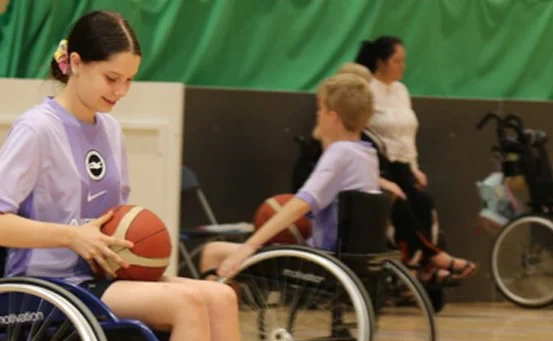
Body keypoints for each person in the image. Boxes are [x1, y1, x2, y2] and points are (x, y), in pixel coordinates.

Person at [0, 10, 287, 341]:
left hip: (100, 278)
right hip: (46, 290)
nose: (119, 91)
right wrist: (70, 235)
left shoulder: (111, 131)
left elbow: (114, 219)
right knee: (187, 305)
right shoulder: (37, 130)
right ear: (74, 63)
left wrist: (122, 243)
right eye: (110, 77)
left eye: (129, 81)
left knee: (219, 296)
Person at [200, 73, 380, 278]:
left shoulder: (339, 154)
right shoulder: (367, 153)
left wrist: (248, 247)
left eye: (320, 110)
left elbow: (299, 205)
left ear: (333, 118)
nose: (318, 116)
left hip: (324, 264)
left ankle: (222, 307)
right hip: (354, 261)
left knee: (213, 252)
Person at [356, 37, 477, 282]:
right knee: (398, 202)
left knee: (422, 200)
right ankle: (434, 258)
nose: (403, 66)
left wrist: (414, 168)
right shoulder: (366, 88)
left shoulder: (401, 91)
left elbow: (408, 135)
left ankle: (421, 267)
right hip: (378, 165)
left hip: (402, 165)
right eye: (397, 60)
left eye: (404, 61)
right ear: (380, 62)